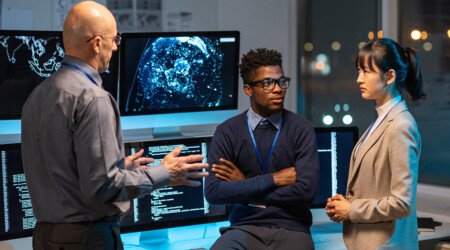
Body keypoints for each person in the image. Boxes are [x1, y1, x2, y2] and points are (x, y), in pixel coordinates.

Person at [20, 2, 208, 250]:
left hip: (44, 238)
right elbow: (103, 188)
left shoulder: (37, 96)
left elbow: (60, 171)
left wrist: (120, 168)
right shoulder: (93, 98)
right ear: (98, 43)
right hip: (85, 240)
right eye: (115, 38)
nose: (117, 46)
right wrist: (165, 173)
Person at [205, 48, 319, 250]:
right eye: (268, 83)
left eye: (281, 81)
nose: (278, 89)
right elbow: (214, 192)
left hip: (292, 227)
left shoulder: (301, 129)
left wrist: (245, 187)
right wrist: (273, 179)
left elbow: (306, 190)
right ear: (248, 89)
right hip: (244, 226)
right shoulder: (227, 131)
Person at [325, 38, 425, 250]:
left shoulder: (400, 125)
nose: (358, 79)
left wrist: (351, 210)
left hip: (386, 245)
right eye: (359, 70)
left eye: (366, 71)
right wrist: (343, 205)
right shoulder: (382, 119)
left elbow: (402, 202)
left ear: (389, 76)